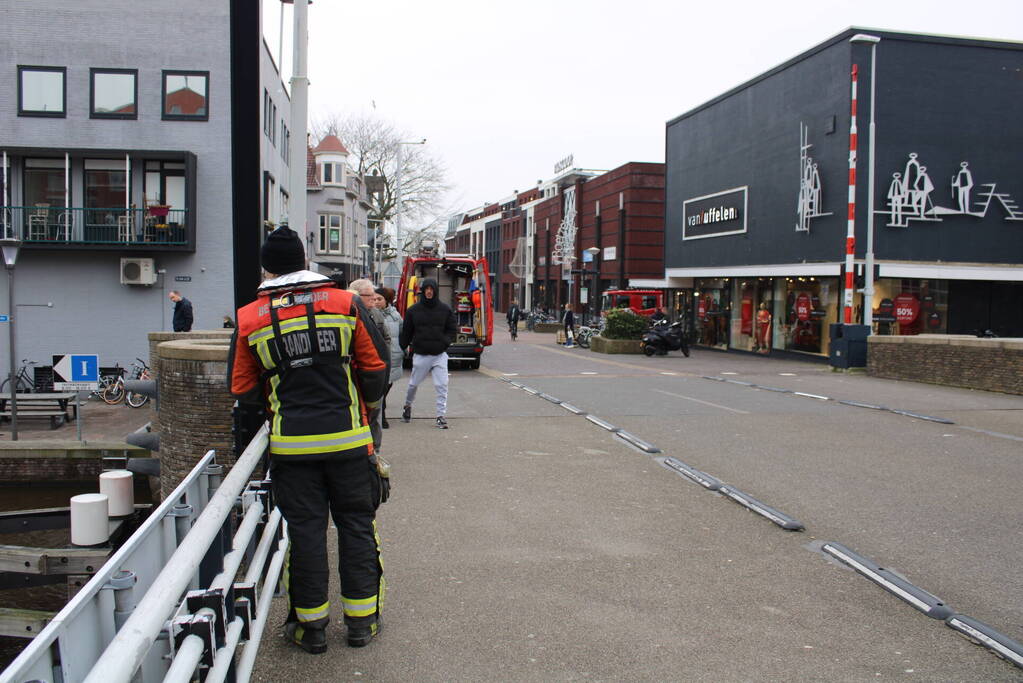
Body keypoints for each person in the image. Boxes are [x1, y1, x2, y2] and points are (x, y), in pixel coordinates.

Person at [228, 226, 389, 654]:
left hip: (291, 448)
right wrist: (366, 409)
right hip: (350, 443)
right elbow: (375, 370)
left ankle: (310, 628)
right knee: (357, 526)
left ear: (267, 268)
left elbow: (242, 391)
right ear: (304, 261)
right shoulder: (346, 303)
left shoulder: (249, 318)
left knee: (305, 534)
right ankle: (361, 623)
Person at [399, 277, 456, 429]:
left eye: (432, 289)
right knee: (413, 384)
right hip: (421, 354)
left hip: (439, 354)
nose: (429, 292)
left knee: (442, 384)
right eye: (426, 289)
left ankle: (440, 415)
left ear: (435, 291)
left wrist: (445, 342)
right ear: (423, 291)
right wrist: (402, 347)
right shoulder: (413, 311)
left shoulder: (445, 309)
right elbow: (407, 332)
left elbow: (452, 329)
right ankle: (407, 406)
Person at [348, 279, 391, 450]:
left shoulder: (376, 314)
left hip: (376, 373)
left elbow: (386, 338)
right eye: (370, 297)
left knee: (375, 416)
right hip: (358, 376)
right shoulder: (348, 314)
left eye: (375, 297)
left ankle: (375, 452)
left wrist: (385, 359)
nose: (374, 301)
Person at [376, 287, 403, 429]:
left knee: (387, 386)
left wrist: (403, 349)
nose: (376, 302)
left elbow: (402, 333)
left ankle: (381, 413)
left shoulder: (395, 315)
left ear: (387, 301)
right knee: (380, 388)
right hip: (378, 357)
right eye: (374, 299)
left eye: (379, 299)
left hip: (393, 356)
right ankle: (382, 416)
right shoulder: (371, 314)